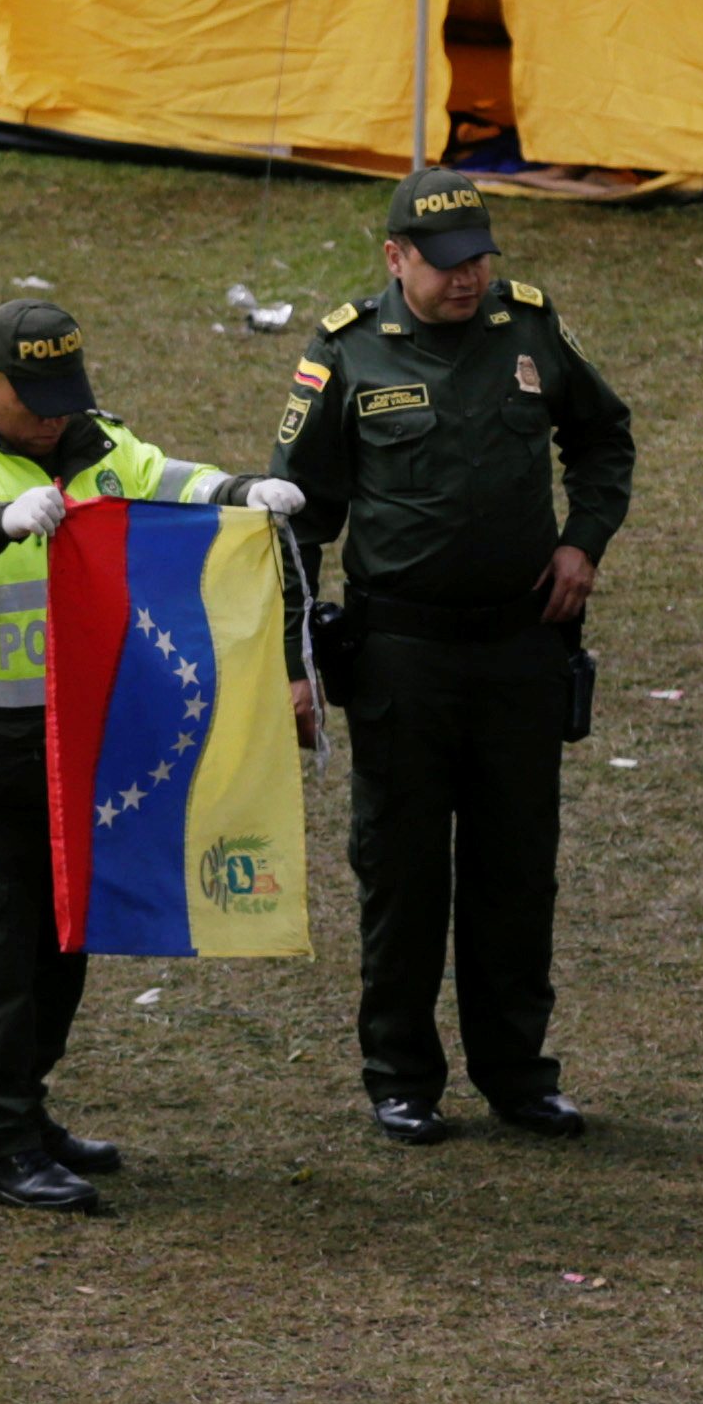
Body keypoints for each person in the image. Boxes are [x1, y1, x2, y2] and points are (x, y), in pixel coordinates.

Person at [0, 299, 307, 1212]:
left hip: (81, 751)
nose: (58, 418)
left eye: (69, 397)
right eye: (39, 402)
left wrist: (238, 494)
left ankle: (28, 1111)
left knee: (63, 944)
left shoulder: (94, 444)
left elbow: (166, 483)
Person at [270, 168, 634, 1146]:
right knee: (403, 874)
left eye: (478, 259)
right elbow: (294, 515)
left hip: (520, 651)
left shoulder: (531, 331)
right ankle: (400, 1075)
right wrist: (293, 661)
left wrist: (581, 543)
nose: (467, 279)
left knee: (517, 870)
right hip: (402, 659)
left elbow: (603, 440)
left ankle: (518, 1072)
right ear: (396, 259)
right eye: (445, 263)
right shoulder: (347, 353)